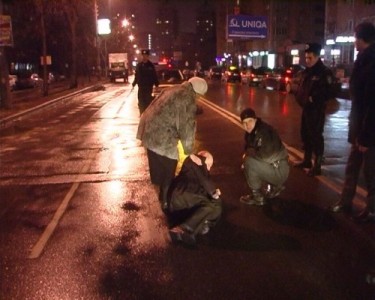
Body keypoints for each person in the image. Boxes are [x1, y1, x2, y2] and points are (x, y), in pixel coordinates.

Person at [136, 76, 208, 211]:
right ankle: (166, 202)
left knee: (159, 165)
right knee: (169, 167)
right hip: (161, 137)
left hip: (149, 130)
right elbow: (186, 128)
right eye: (198, 96)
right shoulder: (187, 99)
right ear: (196, 93)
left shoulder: (174, 89)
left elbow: (171, 106)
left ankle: (162, 196)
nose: (198, 99)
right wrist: (189, 151)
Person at [330, 22, 375, 221]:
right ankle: (345, 202)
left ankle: (372, 210)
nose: (354, 41)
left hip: (369, 131)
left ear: (362, 38)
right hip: (360, 127)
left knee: (371, 171)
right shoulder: (363, 60)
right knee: (352, 167)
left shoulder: (371, 62)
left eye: (356, 37)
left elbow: (372, 104)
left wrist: (365, 136)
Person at [294, 43, 336, 176]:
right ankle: (307, 160)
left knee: (316, 136)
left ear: (317, 57)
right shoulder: (307, 71)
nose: (307, 60)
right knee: (305, 134)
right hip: (306, 108)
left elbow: (329, 91)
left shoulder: (324, 72)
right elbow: (302, 87)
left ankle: (317, 165)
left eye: (310, 58)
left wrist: (314, 98)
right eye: (306, 58)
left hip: (316, 109)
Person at [168, 151, 222, 247]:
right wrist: (214, 192)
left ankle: (200, 225)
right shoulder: (197, 160)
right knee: (209, 206)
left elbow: (203, 184)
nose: (209, 168)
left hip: (180, 199)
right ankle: (182, 229)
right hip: (183, 195)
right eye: (209, 165)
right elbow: (205, 181)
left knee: (214, 205)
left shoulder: (191, 168)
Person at [239, 108, 290, 206]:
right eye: (244, 123)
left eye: (250, 121)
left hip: (279, 169)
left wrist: (248, 155)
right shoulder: (253, 132)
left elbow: (266, 156)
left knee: (248, 162)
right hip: (277, 166)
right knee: (248, 162)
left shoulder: (263, 132)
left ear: (255, 120)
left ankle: (258, 197)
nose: (247, 125)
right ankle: (274, 186)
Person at [132, 49, 159, 114]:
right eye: (143, 55)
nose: (144, 57)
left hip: (148, 88)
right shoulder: (139, 65)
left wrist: (156, 84)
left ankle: (146, 117)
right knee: (141, 103)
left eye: (146, 55)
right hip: (141, 88)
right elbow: (137, 75)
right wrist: (134, 83)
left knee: (147, 103)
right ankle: (142, 115)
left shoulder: (151, 65)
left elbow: (154, 75)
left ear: (148, 56)